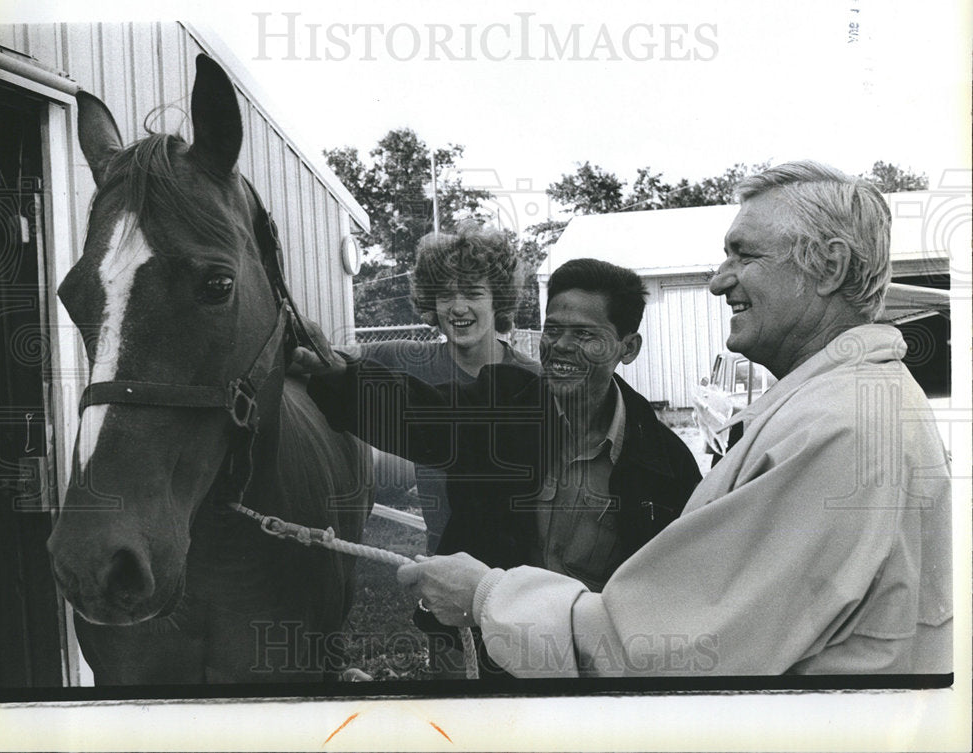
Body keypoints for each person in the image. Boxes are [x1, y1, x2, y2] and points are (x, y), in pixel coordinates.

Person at [387, 161, 952, 677]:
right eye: (553, 331)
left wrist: (485, 596)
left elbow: (656, 649)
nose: (719, 280)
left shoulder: (837, 428)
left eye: (745, 254)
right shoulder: (855, 403)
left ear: (828, 267)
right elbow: (414, 415)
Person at [295, 257, 702, 675]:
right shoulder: (502, 403)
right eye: (554, 330)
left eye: (584, 334)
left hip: (584, 667)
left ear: (627, 348)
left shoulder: (667, 466)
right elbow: (417, 414)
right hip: (477, 652)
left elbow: (674, 592)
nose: (561, 345)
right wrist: (335, 375)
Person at [351, 223, 538, 554]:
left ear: (499, 299)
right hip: (442, 560)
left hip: (518, 570)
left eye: (473, 292)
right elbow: (327, 359)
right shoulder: (407, 360)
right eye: (445, 294)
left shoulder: (532, 379)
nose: (458, 306)